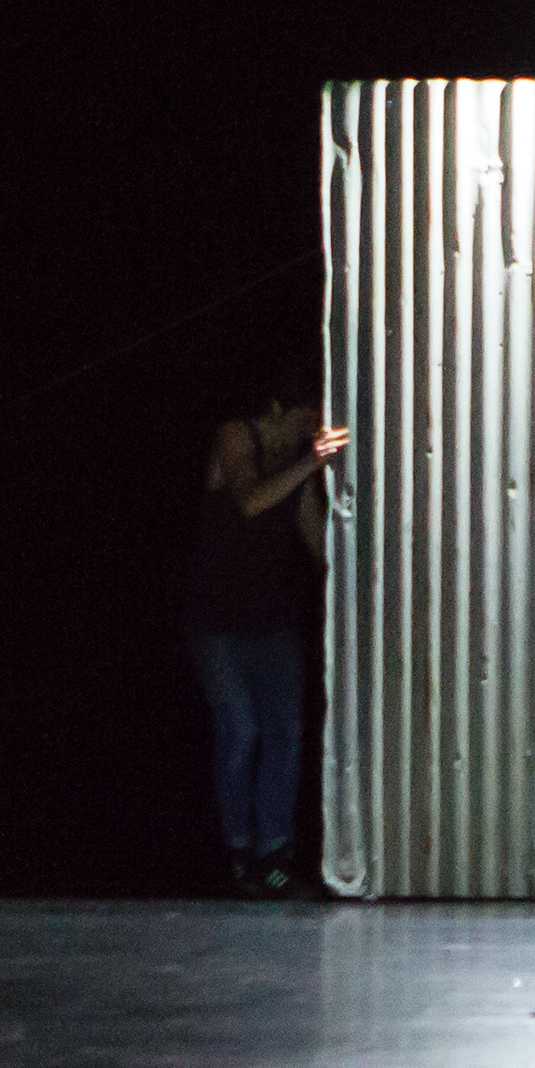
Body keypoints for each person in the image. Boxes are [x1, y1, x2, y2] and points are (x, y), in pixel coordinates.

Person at [191, 377, 345, 895]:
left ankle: (274, 858)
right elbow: (251, 501)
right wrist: (311, 463)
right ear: (279, 407)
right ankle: (237, 850)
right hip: (218, 623)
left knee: (286, 734)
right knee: (241, 730)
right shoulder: (238, 435)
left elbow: (317, 543)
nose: (311, 425)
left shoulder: (298, 463)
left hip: (273, 623)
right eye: (306, 414)